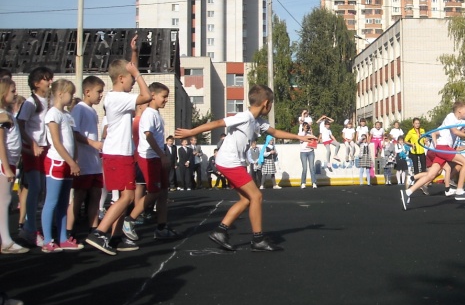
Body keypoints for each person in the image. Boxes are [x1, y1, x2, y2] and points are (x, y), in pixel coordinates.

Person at [176, 84, 311, 251]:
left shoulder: (258, 122)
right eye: (271, 105)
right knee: (257, 196)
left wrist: (300, 137)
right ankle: (258, 239)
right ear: (266, 104)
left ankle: (221, 231)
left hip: (235, 162)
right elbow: (218, 122)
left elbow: (275, 133)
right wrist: (191, 132)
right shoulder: (244, 117)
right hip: (229, 161)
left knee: (247, 199)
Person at [85, 36, 152, 256]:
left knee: (125, 197)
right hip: (118, 154)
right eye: (131, 78)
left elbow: (130, 73)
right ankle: (100, 233)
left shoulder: (118, 96)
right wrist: (138, 74)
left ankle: (114, 238)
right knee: (128, 197)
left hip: (120, 153)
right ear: (122, 78)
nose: (134, 81)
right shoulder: (117, 98)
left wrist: (133, 55)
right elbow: (146, 95)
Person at [400, 100, 465, 208]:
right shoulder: (450, 117)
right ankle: (460, 190)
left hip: (443, 149)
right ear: (459, 110)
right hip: (443, 147)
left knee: (431, 175)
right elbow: (455, 132)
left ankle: (407, 193)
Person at [126, 82, 178, 240]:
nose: (166, 100)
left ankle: (161, 227)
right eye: (164, 96)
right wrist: (162, 155)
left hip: (157, 156)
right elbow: (148, 136)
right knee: (154, 192)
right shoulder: (148, 113)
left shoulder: (156, 114)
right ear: (153, 95)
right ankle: (129, 220)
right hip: (149, 157)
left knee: (162, 193)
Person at [40, 79, 81, 252]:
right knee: (52, 201)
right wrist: (71, 161)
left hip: (68, 163)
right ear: (60, 94)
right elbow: (56, 142)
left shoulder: (68, 115)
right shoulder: (53, 114)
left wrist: (75, 159)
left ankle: (63, 237)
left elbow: (72, 140)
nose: (72, 97)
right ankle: (48, 239)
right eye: (70, 93)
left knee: (64, 202)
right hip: (56, 162)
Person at [17, 66, 54, 247]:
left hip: (44, 148)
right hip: (32, 149)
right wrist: (32, 145)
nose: (50, 82)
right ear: (36, 83)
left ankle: (32, 226)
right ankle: (29, 228)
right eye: (46, 79)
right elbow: (20, 124)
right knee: (35, 187)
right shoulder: (31, 103)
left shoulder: (47, 101)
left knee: (41, 189)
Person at [70, 76, 105, 240]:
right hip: (84, 160)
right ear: (87, 91)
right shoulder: (79, 109)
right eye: (99, 92)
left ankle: (94, 229)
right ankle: (69, 229)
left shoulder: (92, 110)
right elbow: (74, 132)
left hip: (94, 162)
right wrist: (92, 143)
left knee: (96, 194)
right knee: (79, 195)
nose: (101, 95)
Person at [0, 78, 29, 254]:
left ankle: (4, 239)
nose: (15, 93)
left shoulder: (7, 114)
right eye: (12, 91)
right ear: (3, 94)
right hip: (5, 162)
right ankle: (7, 241)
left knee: (4, 200)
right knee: (4, 201)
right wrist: (6, 166)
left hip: (10, 161)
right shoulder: (2, 116)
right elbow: (1, 144)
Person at [298, 122, 317, 188]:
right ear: (303, 127)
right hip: (303, 152)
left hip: (310, 151)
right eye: (306, 127)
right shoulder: (300, 133)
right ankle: (303, 182)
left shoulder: (310, 133)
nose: (307, 128)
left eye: (307, 127)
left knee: (312, 168)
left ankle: (314, 182)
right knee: (305, 168)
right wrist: (305, 132)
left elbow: (315, 139)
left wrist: (311, 132)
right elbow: (301, 139)